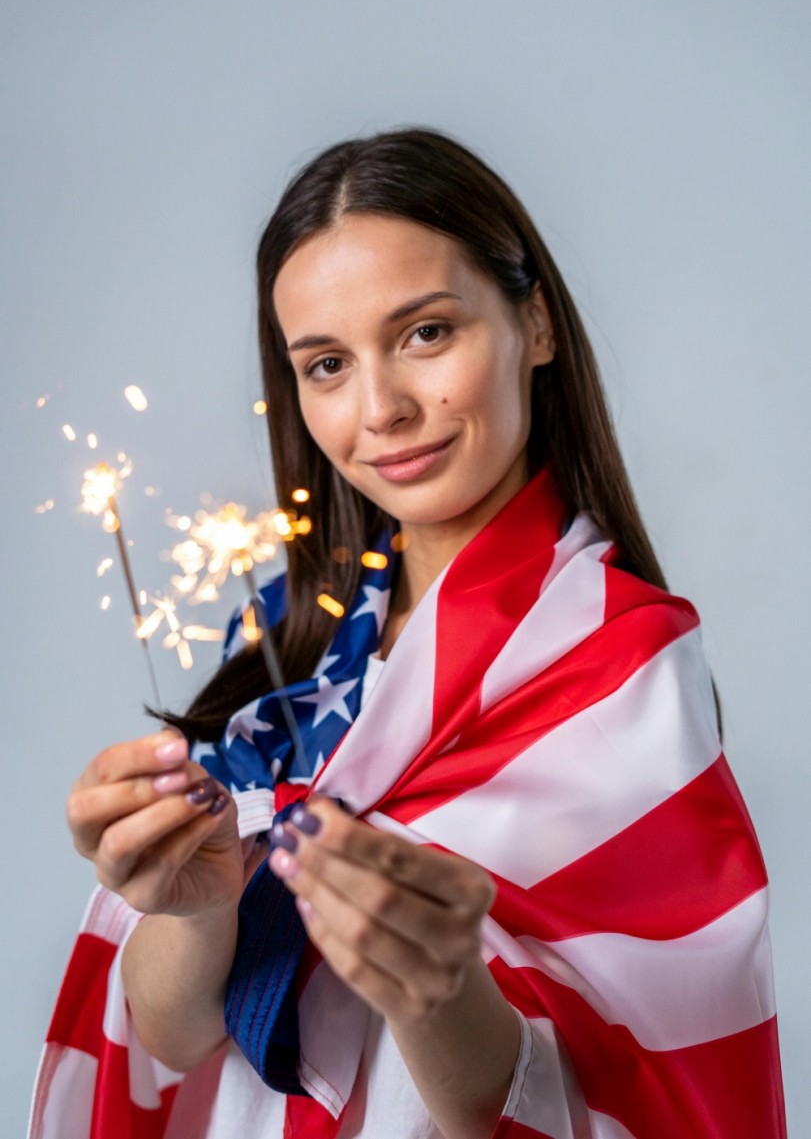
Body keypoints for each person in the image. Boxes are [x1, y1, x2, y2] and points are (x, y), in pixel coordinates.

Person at [30, 128, 786, 1139]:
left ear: (536, 323)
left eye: (426, 333)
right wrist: (191, 901)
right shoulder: (288, 649)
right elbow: (174, 1048)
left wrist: (438, 988)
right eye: (328, 363)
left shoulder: (616, 666)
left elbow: (651, 1080)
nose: (380, 408)